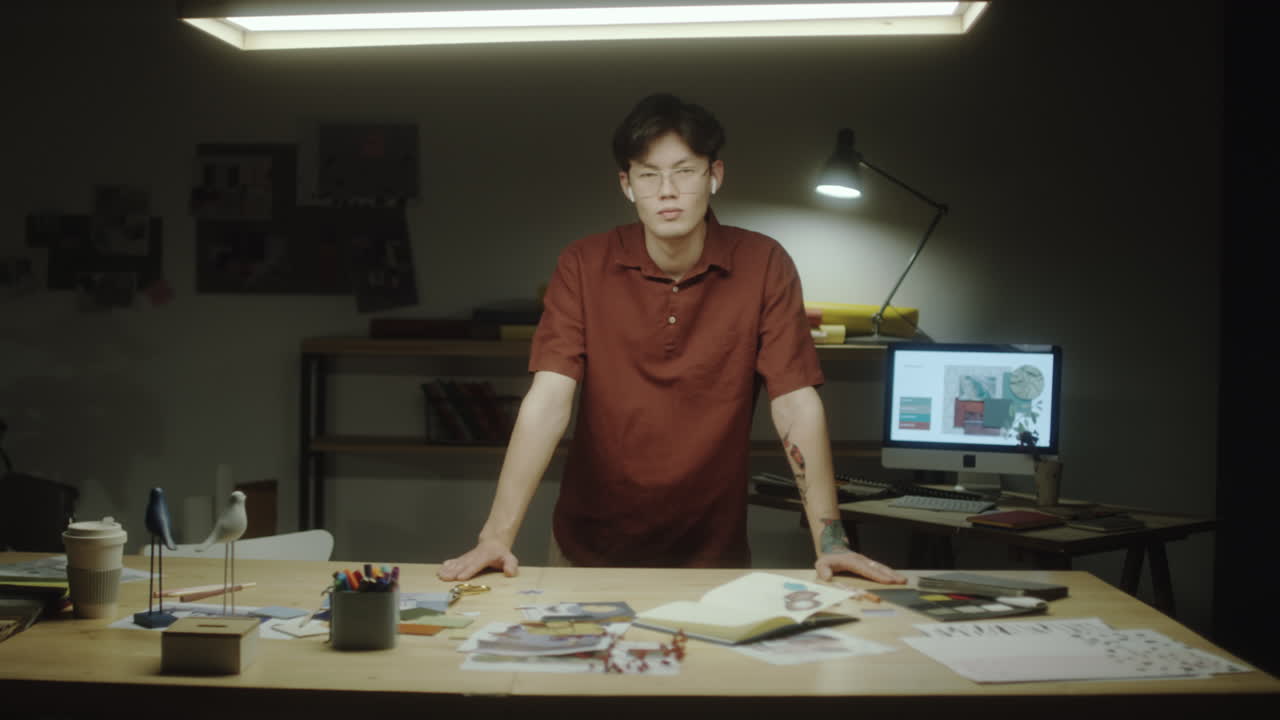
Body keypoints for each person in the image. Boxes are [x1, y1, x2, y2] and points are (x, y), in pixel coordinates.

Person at [438, 93, 905, 586]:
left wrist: (832, 543)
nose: (667, 191)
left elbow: (795, 403)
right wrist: (495, 537)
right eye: (648, 174)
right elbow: (549, 400)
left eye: (684, 171)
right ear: (627, 185)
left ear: (714, 176)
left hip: (711, 552)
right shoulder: (583, 263)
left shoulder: (765, 263)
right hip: (588, 547)